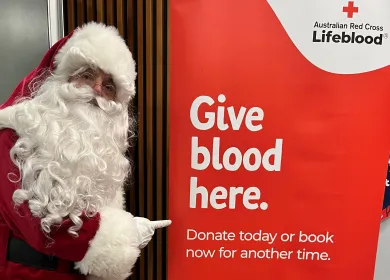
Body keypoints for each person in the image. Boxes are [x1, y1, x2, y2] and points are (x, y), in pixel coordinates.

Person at [0, 22, 171, 280]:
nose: (96, 90)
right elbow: (41, 226)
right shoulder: (13, 136)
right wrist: (123, 236)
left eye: (109, 86)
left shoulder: (101, 152)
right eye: (87, 74)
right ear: (63, 77)